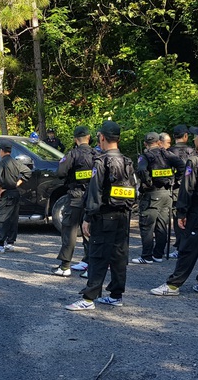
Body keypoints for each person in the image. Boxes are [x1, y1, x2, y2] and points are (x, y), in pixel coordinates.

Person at [151, 123, 198, 297]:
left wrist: (181, 213)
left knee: (188, 248)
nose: (193, 138)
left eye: (195, 136)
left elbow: (187, 189)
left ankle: (173, 285)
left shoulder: (195, 161)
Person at [66, 121, 137, 311]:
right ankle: (116, 295)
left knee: (97, 256)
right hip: (123, 216)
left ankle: (89, 298)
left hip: (104, 216)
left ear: (102, 137)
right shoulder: (128, 161)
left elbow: (95, 191)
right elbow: (134, 191)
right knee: (119, 256)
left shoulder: (101, 161)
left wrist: (88, 218)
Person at [131, 132, 185, 264]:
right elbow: (182, 165)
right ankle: (158, 254)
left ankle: (146, 256)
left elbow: (142, 170)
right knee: (162, 225)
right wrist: (177, 180)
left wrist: (148, 182)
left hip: (152, 194)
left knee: (147, 225)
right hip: (167, 193)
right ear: (159, 142)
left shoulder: (145, 156)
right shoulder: (167, 154)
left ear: (145, 144)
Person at [52, 126, 97, 276]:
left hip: (76, 197)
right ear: (89, 137)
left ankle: (65, 266)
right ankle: (90, 264)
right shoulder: (97, 154)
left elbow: (60, 172)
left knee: (69, 230)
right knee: (89, 230)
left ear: (75, 139)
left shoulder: (72, 154)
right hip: (92, 197)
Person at [0, 143, 32, 254]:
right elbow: (28, 172)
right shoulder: (16, 162)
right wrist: (18, 183)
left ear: (1, 151)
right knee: (12, 219)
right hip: (15, 193)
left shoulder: (1, 163)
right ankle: (10, 243)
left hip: (6, 194)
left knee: (0, 219)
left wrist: (0, 188)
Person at [167, 124, 196, 258]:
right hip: (191, 188)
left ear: (174, 137)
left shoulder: (169, 151)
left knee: (178, 217)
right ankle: (190, 245)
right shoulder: (192, 151)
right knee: (190, 216)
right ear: (186, 136)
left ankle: (180, 247)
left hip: (175, 189)